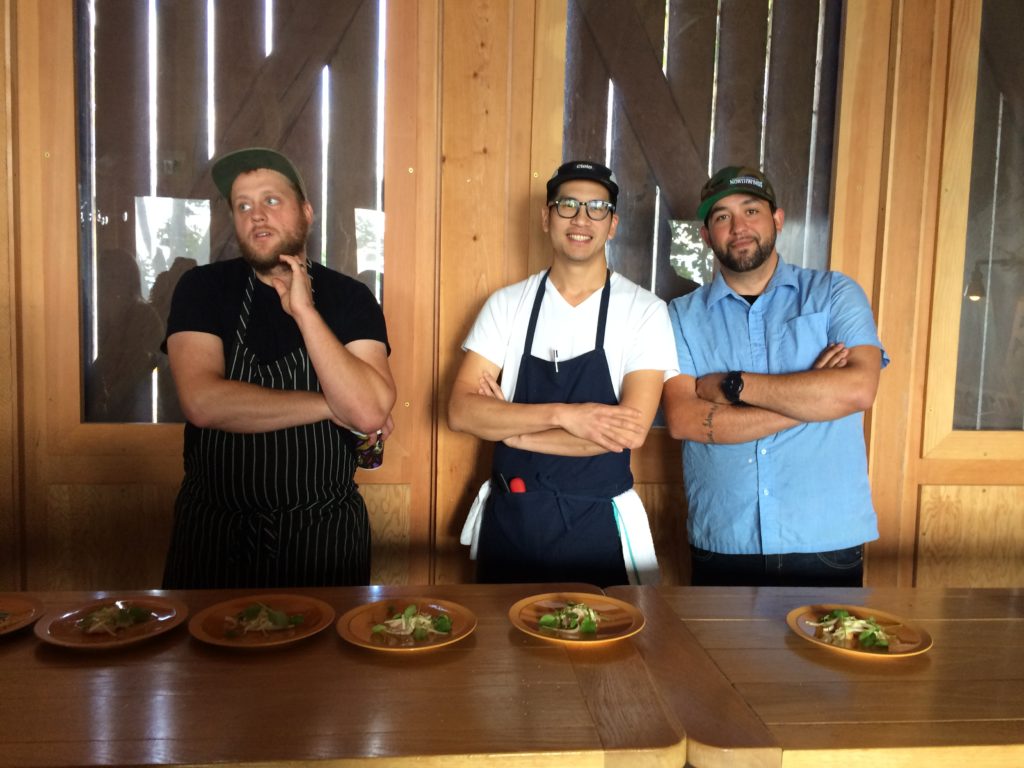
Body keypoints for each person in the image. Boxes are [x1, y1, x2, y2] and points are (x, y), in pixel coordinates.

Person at [161, 147, 395, 589]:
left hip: (323, 534)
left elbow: (366, 414)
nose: (256, 216)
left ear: (306, 212)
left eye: (271, 200)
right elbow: (203, 402)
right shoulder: (203, 289)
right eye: (243, 206)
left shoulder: (349, 298)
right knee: (206, 659)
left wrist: (305, 313)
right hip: (213, 534)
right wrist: (331, 405)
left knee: (321, 659)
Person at [448, 160, 677, 586]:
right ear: (546, 217)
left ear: (612, 225)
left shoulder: (644, 311)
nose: (581, 219)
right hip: (512, 519)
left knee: (600, 648)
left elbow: (626, 433)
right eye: (567, 205)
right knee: (504, 649)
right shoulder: (507, 305)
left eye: (596, 208)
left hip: (598, 525)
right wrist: (566, 416)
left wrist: (512, 430)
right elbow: (462, 412)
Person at [662, 166, 888, 587]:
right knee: (720, 657)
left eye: (751, 211)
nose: (739, 227)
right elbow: (683, 420)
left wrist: (734, 385)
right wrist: (811, 402)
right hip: (725, 540)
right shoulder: (680, 316)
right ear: (707, 236)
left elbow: (857, 389)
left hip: (825, 539)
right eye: (722, 217)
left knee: (826, 655)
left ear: (777, 220)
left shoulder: (835, 294)